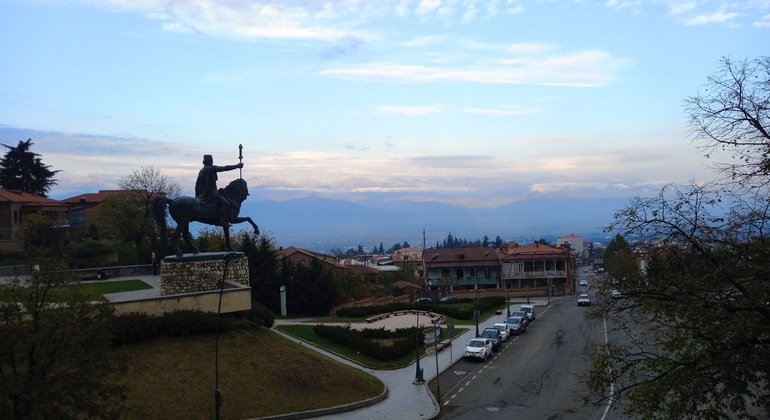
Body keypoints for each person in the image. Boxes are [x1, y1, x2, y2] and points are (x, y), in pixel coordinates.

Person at [195, 154, 243, 226]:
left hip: (202, 194)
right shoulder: (211, 168)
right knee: (225, 203)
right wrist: (237, 166)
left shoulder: (201, 171)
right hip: (211, 193)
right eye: (211, 160)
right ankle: (222, 220)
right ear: (210, 161)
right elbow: (224, 168)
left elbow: (197, 185)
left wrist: (197, 196)